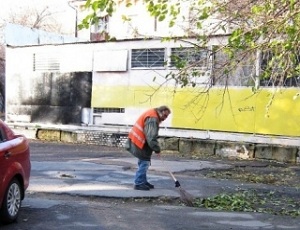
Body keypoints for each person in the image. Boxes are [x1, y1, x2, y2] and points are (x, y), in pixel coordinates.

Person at [125, 105, 171, 191]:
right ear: (160, 112)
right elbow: (151, 137)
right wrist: (157, 149)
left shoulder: (152, 114)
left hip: (139, 141)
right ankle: (139, 183)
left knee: (143, 162)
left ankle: (143, 181)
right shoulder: (153, 119)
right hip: (140, 142)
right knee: (144, 162)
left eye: (167, 116)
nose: (165, 118)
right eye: (165, 116)